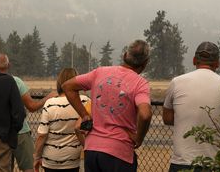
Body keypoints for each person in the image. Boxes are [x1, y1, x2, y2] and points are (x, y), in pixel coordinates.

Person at [62, 39, 153, 172]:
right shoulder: (140, 84)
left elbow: (67, 86)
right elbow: (145, 114)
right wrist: (139, 138)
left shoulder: (100, 72)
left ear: (124, 55)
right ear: (145, 63)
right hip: (119, 152)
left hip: (92, 150)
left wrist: (84, 115)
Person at [162, 41, 220, 172]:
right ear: (218, 63)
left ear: (194, 60)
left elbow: (167, 118)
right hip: (216, 163)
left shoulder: (177, 82)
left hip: (182, 162)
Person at [0, 53, 57, 172]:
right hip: (20, 132)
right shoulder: (16, 81)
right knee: (29, 167)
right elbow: (32, 106)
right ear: (9, 65)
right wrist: (48, 97)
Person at [33, 68, 90, 172]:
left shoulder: (50, 104)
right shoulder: (85, 101)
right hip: (73, 159)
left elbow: (42, 135)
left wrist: (37, 157)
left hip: (51, 160)